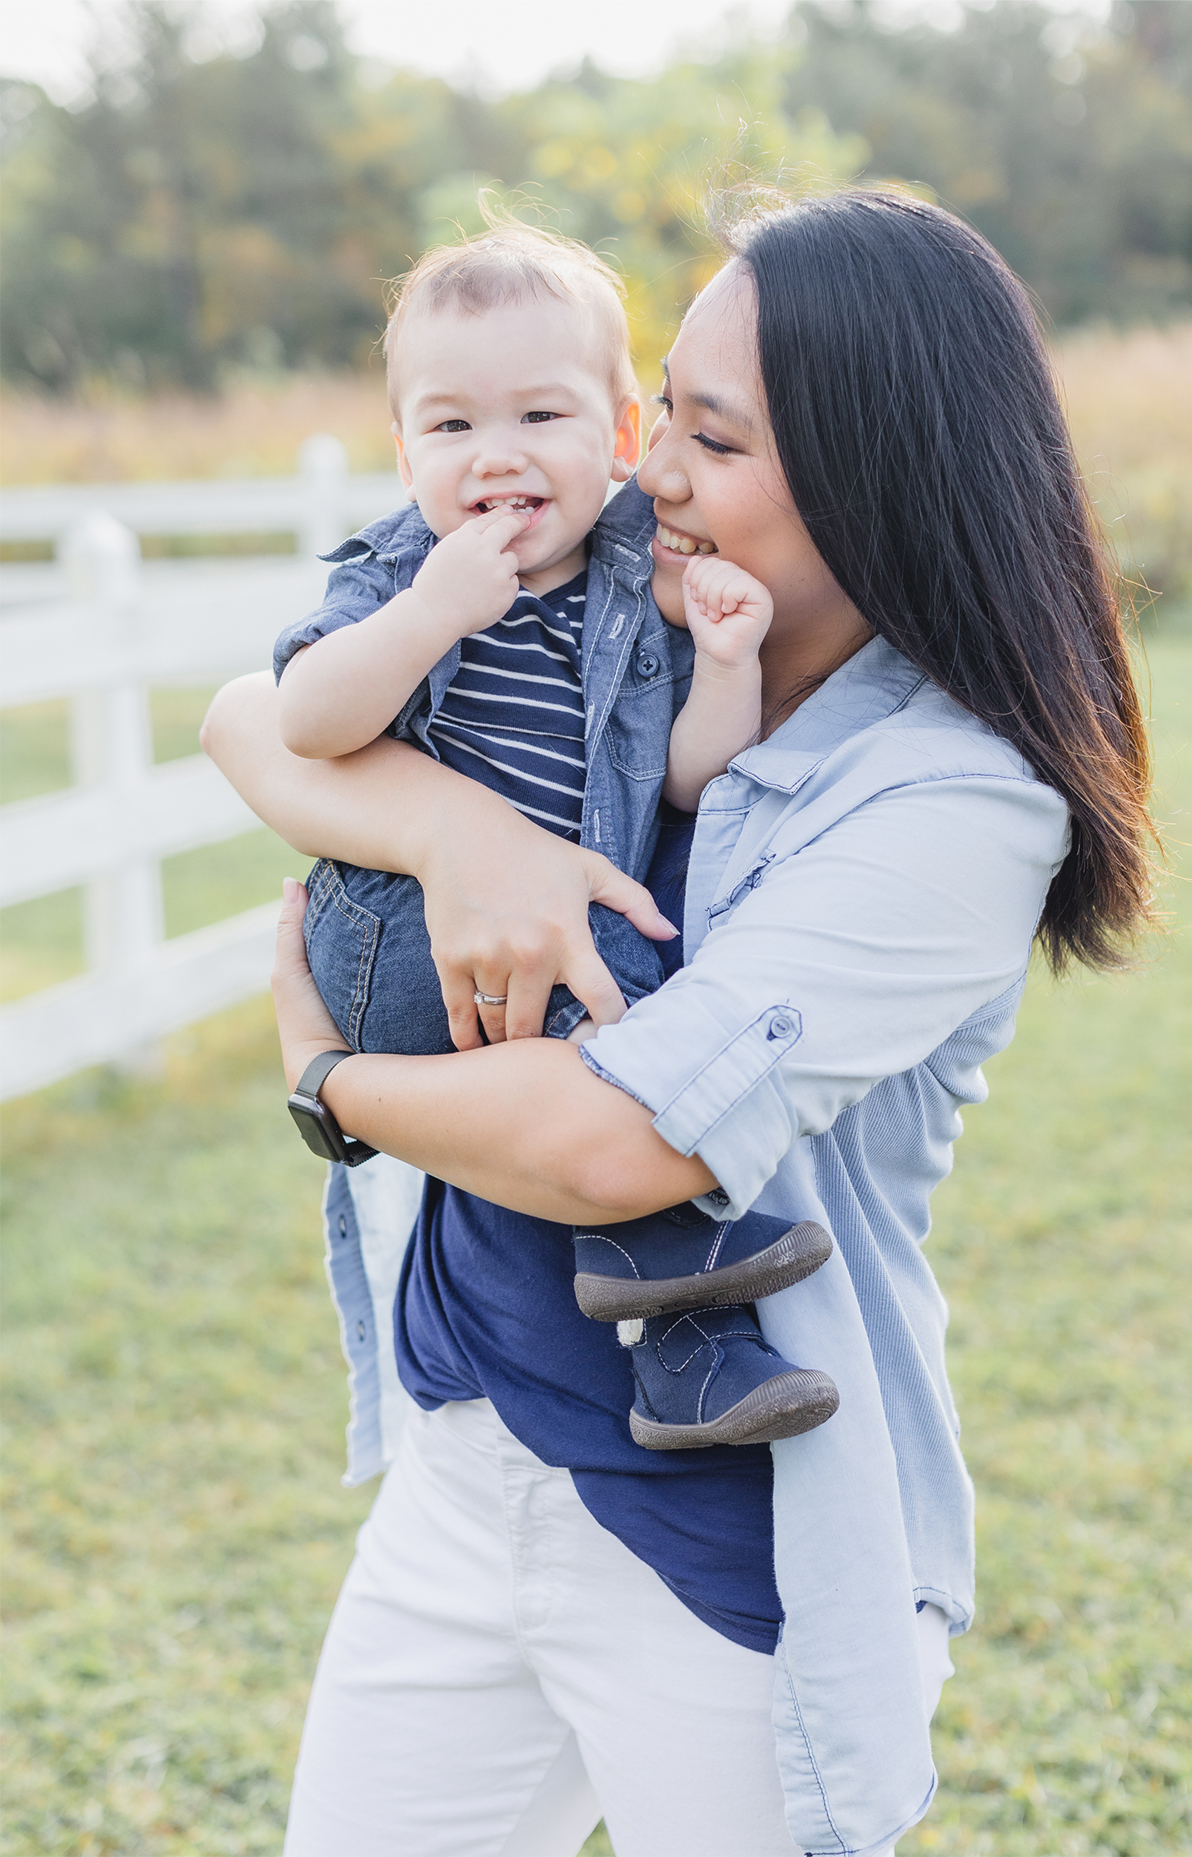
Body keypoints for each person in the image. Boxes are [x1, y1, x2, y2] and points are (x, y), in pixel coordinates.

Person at [200, 185, 1155, 1857]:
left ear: (872, 480)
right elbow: (250, 717)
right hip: (472, 1448)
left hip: (724, 1545)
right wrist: (453, 831)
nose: (650, 474)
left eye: (709, 440)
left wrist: (328, 1078)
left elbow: (616, 1139)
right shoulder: (609, 588)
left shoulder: (956, 802)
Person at [271, 220, 837, 1451]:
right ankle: (689, 1333)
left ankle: (688, 1355)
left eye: (539, 419)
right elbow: (302, 720)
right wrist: (428, 616)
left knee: (647, 969)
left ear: (624, 438)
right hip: (395, 947)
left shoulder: (640, 581)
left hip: (557, 945)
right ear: (404, 447)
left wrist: (727, 663)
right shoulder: (400, 572)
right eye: (452, 427)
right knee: (643, 1000)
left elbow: (685, 781)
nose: (495, 461)